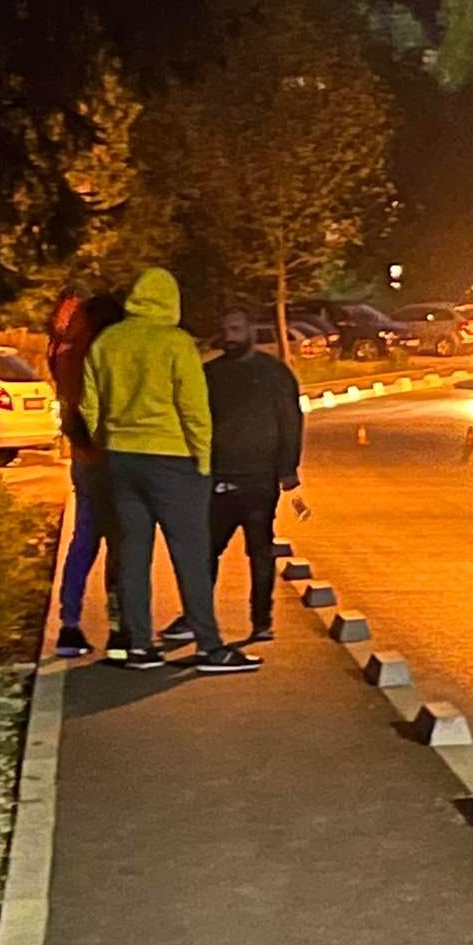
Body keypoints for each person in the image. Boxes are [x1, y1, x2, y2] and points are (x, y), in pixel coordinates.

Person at [79, 268, 260, 675]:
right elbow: (194, 409)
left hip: (121, 459)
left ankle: (139, 645)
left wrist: (106, 442)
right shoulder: (176, 344)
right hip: (174, 462)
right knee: (190, 554)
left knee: (132, 554)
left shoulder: (107, 342)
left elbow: (89, 405)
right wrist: (203, 461)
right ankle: (209, 647)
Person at [193, 305, 303, 645]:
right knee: (207, 551)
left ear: (250, 332)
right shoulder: (208, 374)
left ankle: (261, 621)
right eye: (226, 330)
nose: (231, 337)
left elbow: (291, 420)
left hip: (259, 478)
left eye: (237, 329)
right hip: (217, 477)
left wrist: (288, 468)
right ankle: (199, 618)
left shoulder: (274, 373)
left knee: (259, 550)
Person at [49, 290, 126, 657]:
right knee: (121, 546)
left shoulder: (66, 353)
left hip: (84, 460)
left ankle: (70, 625)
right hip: (113, 462)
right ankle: (118, 630)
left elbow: (69, 409)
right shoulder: (107, 353)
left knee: (84, 541)